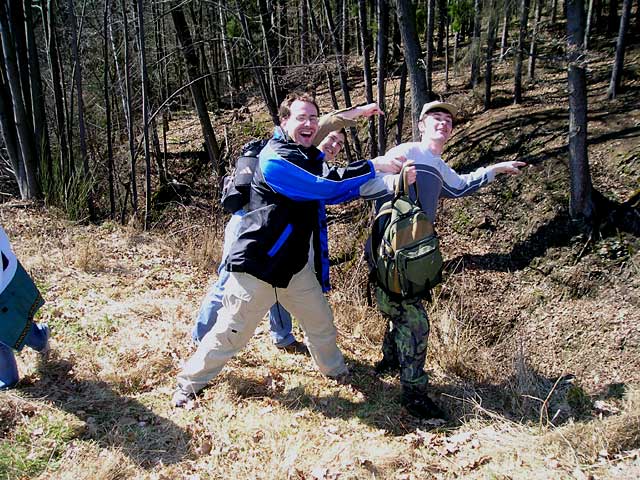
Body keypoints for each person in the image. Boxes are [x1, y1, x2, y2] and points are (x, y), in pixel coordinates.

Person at [173, 93, 405, 406]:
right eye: (301, 118)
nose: (309, 124)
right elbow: (325, 186)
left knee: (321, 323)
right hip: (258, 268)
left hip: (295, 269)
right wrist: (372, 166)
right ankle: (187, 386)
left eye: (313, 118)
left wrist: (385, 178)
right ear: (284, 122)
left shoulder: (306, 152)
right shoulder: (276, 159)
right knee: (230, 334)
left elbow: (334, 191)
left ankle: (336, 371)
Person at [372, 100, 526, 420]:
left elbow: (460, 186)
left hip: (412, 254)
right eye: (435, 118)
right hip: (391, 253)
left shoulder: (438, 165)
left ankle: (390, 359)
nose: (442, 124)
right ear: (422, 124)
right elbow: (373, 182)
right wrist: (394, 175)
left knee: (399, 307)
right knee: (417, 323)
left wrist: (494, 169)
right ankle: (413, 395)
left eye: (447, 121)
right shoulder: (407, 151)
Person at [190, 104, 384, 354]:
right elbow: (329, 127)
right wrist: (360, 118)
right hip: (247, 224)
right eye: (331, 139)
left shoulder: (314, 161)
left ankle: (282, 336)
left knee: (280, 277)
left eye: (339, 144)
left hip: (273, 233)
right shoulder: (294, 152)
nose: (333, 146)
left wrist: (361, 114)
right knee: (228, 284)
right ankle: (199, 338)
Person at [0, 225, 49, 389]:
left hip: (5, 282)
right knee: (9, 329)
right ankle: (8, 380)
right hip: (5, 279)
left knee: (13, 326)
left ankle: (7, 381)